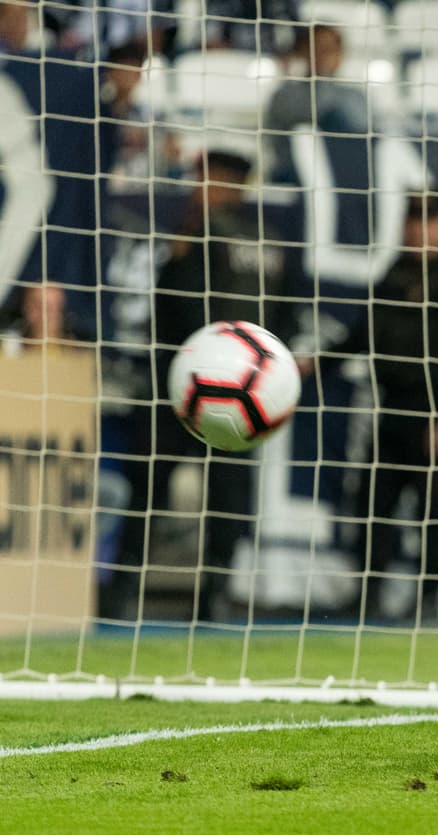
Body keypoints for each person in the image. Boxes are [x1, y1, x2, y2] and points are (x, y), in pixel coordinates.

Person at [139, 149, 288, 621]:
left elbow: (281, 312)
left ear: (235, 186)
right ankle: (123, 582)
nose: (202, 190)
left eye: (213, 181)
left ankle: (215, 590)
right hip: (187, 389)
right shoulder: (194, 235)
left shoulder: (243, 239)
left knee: (226, 497)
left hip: (226, 393)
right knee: (151, 486)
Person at [331, 196, 438, 623]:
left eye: (428, 222)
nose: (419, 231)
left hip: (432, 412)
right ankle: (368, 594)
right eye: (413, 221)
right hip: (391, 407)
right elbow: (364, 333)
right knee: (373, 503)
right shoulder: (395, 272)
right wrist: (317, 361)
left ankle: (428, 599)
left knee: (432, 510)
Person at [263, 23, 372, 181]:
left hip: (347, 176)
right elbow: (316, 114)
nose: (324, 55)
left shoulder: (355, 96)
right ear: (303, 52)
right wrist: (323, 77)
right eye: (318, 48)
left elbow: (361, 135)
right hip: (295, 176)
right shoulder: (285, 94)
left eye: (331, 49)